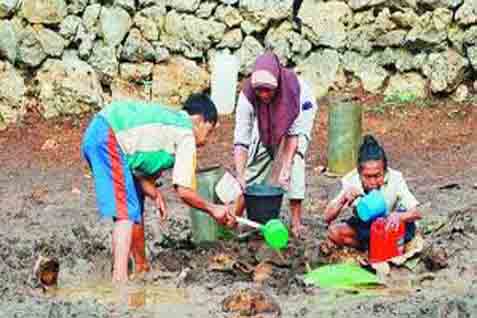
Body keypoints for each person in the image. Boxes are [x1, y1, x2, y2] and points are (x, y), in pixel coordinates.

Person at [81, 93, 235, 283]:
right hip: (109, 136)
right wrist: (214, 209)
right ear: (199, 120)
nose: (206, 141)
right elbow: (184, 191)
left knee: (134, 204)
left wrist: (154, 192)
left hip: (97, 132)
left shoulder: (168, 122)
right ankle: (119, 280)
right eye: (209, 131)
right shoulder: (186, 133)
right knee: (126, 215)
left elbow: (134, 165)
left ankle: (140, 266)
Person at [233, 51, 318, 238]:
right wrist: (240, 174)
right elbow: (241, 139)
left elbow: (293, 135)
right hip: (266, 119)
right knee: (258, 157)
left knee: (295, 161)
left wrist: (285, 167)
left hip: (300, 110)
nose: (263, 94)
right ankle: (235, 216)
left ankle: (296, 222)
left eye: (268, 90)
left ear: (277, 84)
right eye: (259, 90)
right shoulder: (247, 95)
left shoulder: (295, 91)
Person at [324, 135, 422, 251]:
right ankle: (373, 248)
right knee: (334, 233)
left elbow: (417, 213)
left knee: (407, 228)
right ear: (359, 173)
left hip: (391, 227)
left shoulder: (395, 178)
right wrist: (343, 200)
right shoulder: (351, 180)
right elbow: (327, 217)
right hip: (367, 227)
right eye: (367, 177)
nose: (373, 182)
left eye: (377, 176)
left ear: (385, 171)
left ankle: (381, 248)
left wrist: (398, 216)